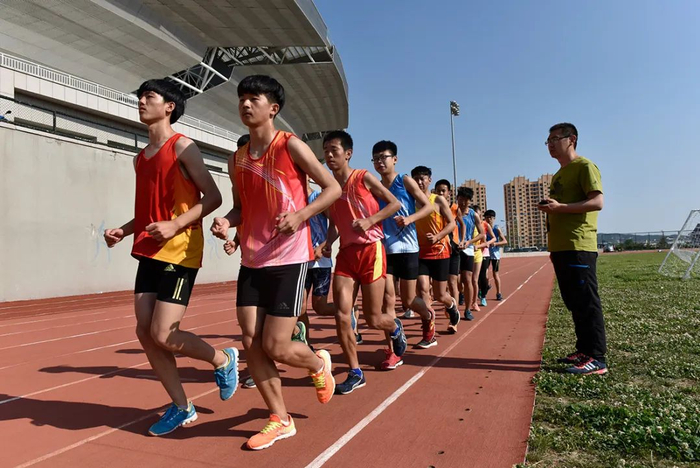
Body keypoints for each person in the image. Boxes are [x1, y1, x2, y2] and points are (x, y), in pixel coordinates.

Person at [211, 75, 341, 450]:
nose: (245, 104)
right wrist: (226, 222)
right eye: (242, 98)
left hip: (290, 257)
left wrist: (300, 216)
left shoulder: (290, 145)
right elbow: (240, 207)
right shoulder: (236, 159)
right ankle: (280, 419)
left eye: (254, 98)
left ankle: (317, 364)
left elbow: (332, 188)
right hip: (252, 260)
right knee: (251, 342)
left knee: (277, 346)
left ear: (273, 108)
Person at [104, 79, 237, 437]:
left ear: (169, 106)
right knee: (145, 332)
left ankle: (223, 359)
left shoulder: (183, 147)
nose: (141, 101)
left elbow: (213, 197)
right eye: (140, 97)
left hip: (180, 251)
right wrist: (123, 230)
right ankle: (182, 406)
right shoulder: (140, 158)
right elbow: (149, 212)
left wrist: (176, 224)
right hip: (149, 249)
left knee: (163, 332)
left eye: (149, 97)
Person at [322, 130, 407, 394]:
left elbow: (394, 204)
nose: (329, 155)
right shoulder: (329, 188)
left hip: (372, 250)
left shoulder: (363, 177)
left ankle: (394, 327)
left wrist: (370, 221)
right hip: (346, 255)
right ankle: (355, 372)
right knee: (342, 315)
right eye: (325, 151)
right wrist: (327, 243)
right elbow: (336, 223)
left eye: (334, 150)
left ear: (348, 153)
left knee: (373, 318)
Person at [538, 122, 607, 375]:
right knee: (574, 301)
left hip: (579, 245)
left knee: (586, 301)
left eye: (556, 138)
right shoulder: (559, 174)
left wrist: (560, 208)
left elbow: (597, 201)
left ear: (572, 139)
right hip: (561, 246)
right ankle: (583, 350)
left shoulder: (585, 166)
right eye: (548, 140)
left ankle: (597, 358)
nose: (551, 144)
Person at [372, 140, 438, 358]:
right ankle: (393, 351)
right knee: (387, 300)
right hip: (385, 248)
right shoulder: (376, 186)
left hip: (408, 248)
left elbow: (428, 207)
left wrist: (410, 219)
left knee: (408, 300)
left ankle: (427, 316)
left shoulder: (404, 180)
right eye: (376, 158)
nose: (380, 162)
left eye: (384, 157)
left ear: (395, 159)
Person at [411, 166, 459, 337]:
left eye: (422, 178)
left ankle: (451, 305)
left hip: (440, 252)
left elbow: (452, 224)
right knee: (423, 289)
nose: (419, 182)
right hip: (420, 252)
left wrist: (438, 237)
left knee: (440, 295)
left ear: (429, 180)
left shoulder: (438, 200)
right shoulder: (410, 201)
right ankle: (428, 327)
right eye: (416, 178)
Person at [434, 180, 466, 322]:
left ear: (449, 192)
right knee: (440, 285)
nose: (441, 193)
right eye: (438, 191)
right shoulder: (432, 206)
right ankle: (448, 304)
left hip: (453, 248)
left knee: (453, 282)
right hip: (438, 249)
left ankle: (454, 316)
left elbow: (462, 224)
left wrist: (462, 240)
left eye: (443, 191)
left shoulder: (454, 208)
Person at [455, 187, 484, 320]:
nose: (462, 203)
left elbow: (482, 234)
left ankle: (467, 309)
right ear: (457, 198)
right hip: (453, 249)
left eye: (466, 200)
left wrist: (469, 242)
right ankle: (454, 307)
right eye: (460, 199)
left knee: (467, 279)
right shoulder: (452, 211)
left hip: (468, 249)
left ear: (470, 201)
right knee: (455, 281)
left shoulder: (473, 215)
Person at [483, 209, 508, 300]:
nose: (488, 220)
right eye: (486, 218)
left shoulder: (496, 228)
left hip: (495, 255)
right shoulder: (484, 227)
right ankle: (487, 285)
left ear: (493, 218)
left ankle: (498, 293)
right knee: (484, 274)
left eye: (490, 218)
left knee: (495, 274)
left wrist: (496, 244)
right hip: (486, 254)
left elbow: (505, 241)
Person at [475, 207, 496, 307]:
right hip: (472, 253)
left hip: (484, 253)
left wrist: (487, 243)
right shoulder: (469, 223)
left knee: (482, 276)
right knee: (473, 277)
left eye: (478, 214)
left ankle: (483, 296)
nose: (476, 216)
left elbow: (494, 238)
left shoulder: (485, 224)